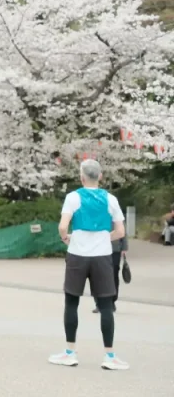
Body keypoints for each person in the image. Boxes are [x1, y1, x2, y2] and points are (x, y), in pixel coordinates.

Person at [51, 159, 129, 371]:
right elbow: (120, 232)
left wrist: (67, 237)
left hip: (77, 255)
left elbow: (62, 226)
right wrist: (105, 238)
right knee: (105, 306)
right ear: (100, 177)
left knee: (72, 302)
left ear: (81, 177)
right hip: (102, 256)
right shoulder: (111, 199)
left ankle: (70, 352)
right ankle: (109, 355)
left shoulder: (73, 197)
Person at [94, 232, 128, 314]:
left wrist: (124, 247)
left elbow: (123, 232)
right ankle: (99, 303)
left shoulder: (116, 219)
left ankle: (112, 302)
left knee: (113, 275)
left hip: (114, 250)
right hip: (99, 250)